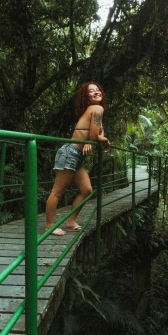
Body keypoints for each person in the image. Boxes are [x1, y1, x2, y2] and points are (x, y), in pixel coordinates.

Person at [46, 82, 110, 236]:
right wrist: (105, 140)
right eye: (91, 91)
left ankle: (71, 220)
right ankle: (49, 226)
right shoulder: (97, 108)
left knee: (87, 190)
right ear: (86, 97)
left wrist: (93, 142)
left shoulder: (94, 110)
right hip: (71, 153)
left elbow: (92, 136)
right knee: (57, 192)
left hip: (77, 155)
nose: (96, 92)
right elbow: (95, 136)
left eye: (98, 90)